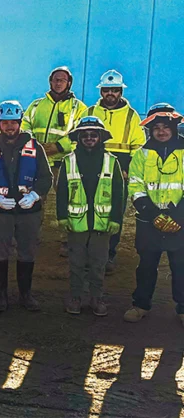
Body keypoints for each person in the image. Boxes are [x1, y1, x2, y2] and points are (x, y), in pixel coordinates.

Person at [0, 101, 53, 312]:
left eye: (13, 122)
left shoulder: (35, 147)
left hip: (28, 211)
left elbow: (46, 178)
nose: (9, 127)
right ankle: (1, 296)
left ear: (20, 122)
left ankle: (25, 295)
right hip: (0, 211)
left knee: (27, 252)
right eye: (5, 122)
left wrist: (35, 195)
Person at [123, 104, 184, 328]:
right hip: (149, 221)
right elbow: (136, 186)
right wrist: (153, 214)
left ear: (174, 127)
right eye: (156, 127)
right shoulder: (141, 154)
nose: (161, 131)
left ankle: (183, 308)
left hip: (181, 221)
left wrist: (178, 217)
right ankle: (141, 305)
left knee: (181, 266)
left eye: (165, 127)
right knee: (146, 266)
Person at [56, 116, 124, 317]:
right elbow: (61, 192)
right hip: (76, 225)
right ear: (78, 138)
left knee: (98, 263)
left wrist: (116, 220)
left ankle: (96, 297)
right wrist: (61, 217)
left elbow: (119, 194)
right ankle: (76, 297)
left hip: (102, 225)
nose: (89, 138)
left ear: (101, 137)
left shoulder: (112, 162)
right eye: (84, 135)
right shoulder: (69, 161)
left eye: (94, 134)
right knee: (76, 263)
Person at [84, 70, 145, 273]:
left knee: (114, 214)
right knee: (88, 210)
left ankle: (109, 254)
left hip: (120, 173)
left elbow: (138, 147)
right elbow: (80, 140)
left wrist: (127, 170)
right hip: (91, 170)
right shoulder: (90, 111)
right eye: (107, 90)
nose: (110, 93)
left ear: (120, 92)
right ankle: (88, 252)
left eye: (115, 90)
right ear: (101, 91)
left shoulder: (131, 115)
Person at [23, 66, 88, 257]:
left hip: (64, 162)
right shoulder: (36, 105)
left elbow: (80, 133)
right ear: (50, 82)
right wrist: (35, 145)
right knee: (34, 199)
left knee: (68, 201)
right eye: (55, 79)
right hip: (38, 162)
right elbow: (25, 126)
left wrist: (57, 147)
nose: (58, 83)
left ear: (69, 83)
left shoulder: (79, 108)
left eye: (62, 80)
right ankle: (31, 237)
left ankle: (67, 240)